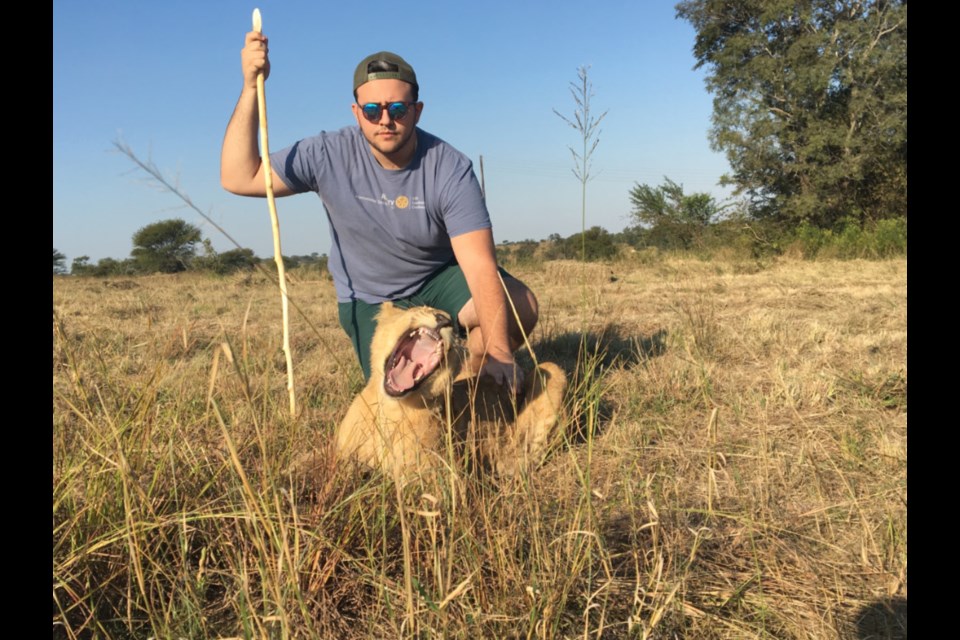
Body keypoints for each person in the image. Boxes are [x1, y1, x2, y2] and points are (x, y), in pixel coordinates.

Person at [220, 30, 538, 392]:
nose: (385, 120)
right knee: (398, 390)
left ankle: (476, 377)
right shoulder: (327, 154)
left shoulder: (449, 167)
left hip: (438, 278)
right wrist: (249, 87)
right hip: (371, 297)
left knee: (521, 304)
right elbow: (238, 176)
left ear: (417, 111)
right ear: (357, 113)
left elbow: (480, 265)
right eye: (372, 110)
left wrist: (498, 352)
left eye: (398, 109)